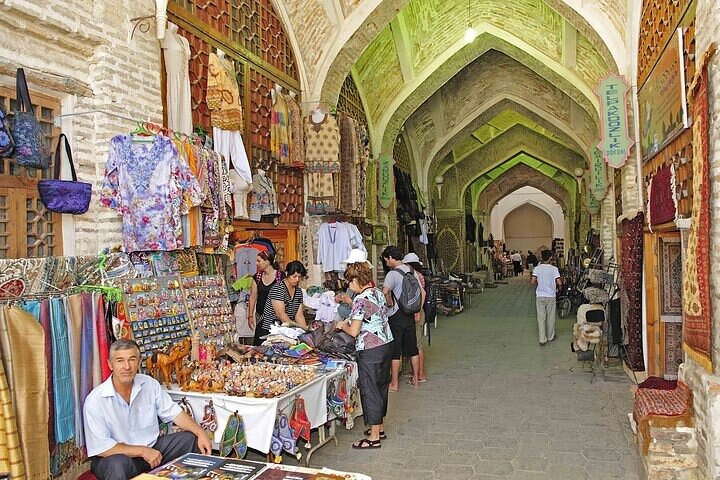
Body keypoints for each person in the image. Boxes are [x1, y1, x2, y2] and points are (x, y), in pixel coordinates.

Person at [83, 339, 212, 480]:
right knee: (118, 464)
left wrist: (200, 432)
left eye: (132, 359)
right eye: (120, 361)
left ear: (139, 363)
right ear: (110, 364)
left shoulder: (149, 384)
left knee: (189, 439)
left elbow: (174, 413)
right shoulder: (95, 400)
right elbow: (102, 447)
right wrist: (142, 451)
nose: (126, 366)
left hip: (152, 449)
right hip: (117, 457)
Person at [336, 261, 393, 449]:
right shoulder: (376, 292)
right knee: (381, 386)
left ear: (357, 279)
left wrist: (342, 325)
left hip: (370, 349)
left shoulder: (361, 299)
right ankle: (379, 427)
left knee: (370, 390)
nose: (349, 286)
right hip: (386, 344)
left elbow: (353, 331)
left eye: (350, 281)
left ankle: (374, 437)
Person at [381, 246, 420, 391]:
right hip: (409, 313)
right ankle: (415, 379)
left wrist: (389, 302)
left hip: (396, 315)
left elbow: (385, 291)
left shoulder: (392, 274)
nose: (386, 264)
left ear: (391, 258)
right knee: (412, 348)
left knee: (395, 350)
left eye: (386, 260)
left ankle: (394, 383)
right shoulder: (411, 270)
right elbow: (420, 291)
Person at [248, 250, 284, 345]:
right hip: (260, 316)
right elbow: (253, 296)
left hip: (276, 317)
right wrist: (250, 315)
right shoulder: (257, 277)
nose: (256, 263)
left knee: (275, 343)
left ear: (267, 261)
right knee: (260, 341)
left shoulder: (280, 277)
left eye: (259, 261)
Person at [261, 260, 308, 333]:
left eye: (300, 277)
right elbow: (281, 315)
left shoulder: (298, 292)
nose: (297, 280)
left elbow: (299, 315)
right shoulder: (278, 289)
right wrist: (297, 327)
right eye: (294, 276)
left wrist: (305, 331)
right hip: (269, 329)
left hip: (285, 329)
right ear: (287, 274)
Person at [403, 252, 427, 384]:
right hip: (418, 311)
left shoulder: (412, 275)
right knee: (416, 343)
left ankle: (420, 374)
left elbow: (422, 293)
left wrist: (417, 310)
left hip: (416, 311)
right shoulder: (420, 275)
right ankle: (416, 372)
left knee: (417, 344)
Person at [531, 250, 562, 345]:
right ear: (550, 258)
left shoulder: (537, 268)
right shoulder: (554, 269)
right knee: (551, 317)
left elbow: (532, 282)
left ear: (541, 257)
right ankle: (550, 336)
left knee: (541, 317)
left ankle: (542, 339)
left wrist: (540, 283)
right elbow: (559, 282)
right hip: (551, 296)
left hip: (540, 295)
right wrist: (558, 286)